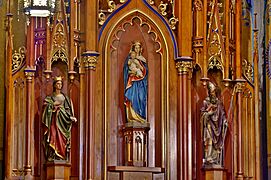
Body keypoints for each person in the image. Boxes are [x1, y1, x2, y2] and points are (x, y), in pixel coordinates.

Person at [42, 76, 77, 161]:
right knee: (53, 138)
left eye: (61, 84)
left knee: (62, 141)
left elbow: (68, 111)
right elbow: (46, 109)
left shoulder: (66, 98)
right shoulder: (50, 98)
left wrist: (69, 117)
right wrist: (53, 106)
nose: (59, 85)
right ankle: (53, 155)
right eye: (58, 83)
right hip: (54, 124)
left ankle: (61, 155)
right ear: (54, 85)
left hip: (63, 124)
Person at [201, 81, 228, 166]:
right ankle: (208, 157)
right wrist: (208, 114)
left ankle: (215, 159)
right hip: (209, 125)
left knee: (216, 144)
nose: (212, 93)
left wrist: (224, 121)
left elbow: (222, 114)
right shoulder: (205, 102)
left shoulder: (219, 103)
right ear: (209, 92)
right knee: (209, 140)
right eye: (211, 92)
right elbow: (202, 115)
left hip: (218, 127)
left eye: (213, 92)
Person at [124, 41, 148, 123]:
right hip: (132, 82)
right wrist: (130, 72)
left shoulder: (142, 59)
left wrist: (141, 69)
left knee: (141, 98)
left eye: (138, 48)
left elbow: (145, 71)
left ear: (141, 49)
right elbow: (126, 70)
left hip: (141, 83)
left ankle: (140, 116)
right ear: (133, 49)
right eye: (136, 48)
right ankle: (132, 117)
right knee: (132, 97)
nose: (137, 50)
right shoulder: (130, 59)